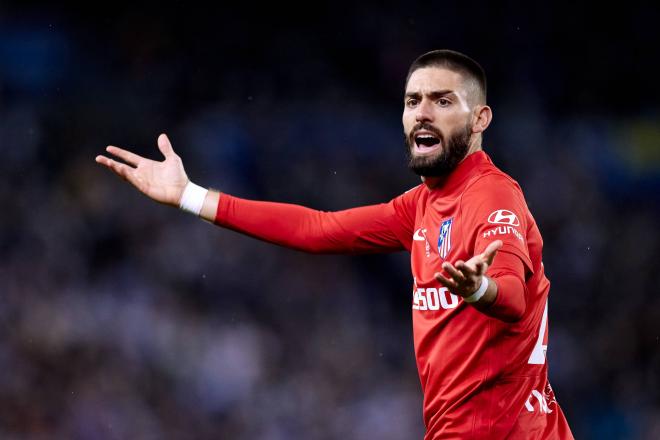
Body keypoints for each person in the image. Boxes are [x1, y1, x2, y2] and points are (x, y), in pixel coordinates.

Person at [96, 49, 574, 439]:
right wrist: (190, 196)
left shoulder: (491, 194)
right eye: (413, 101)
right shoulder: (421, 206)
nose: (422, 112)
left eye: (443, 101)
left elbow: (510, 297)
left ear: (480, 119)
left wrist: (480, 290)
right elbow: (318, 229)